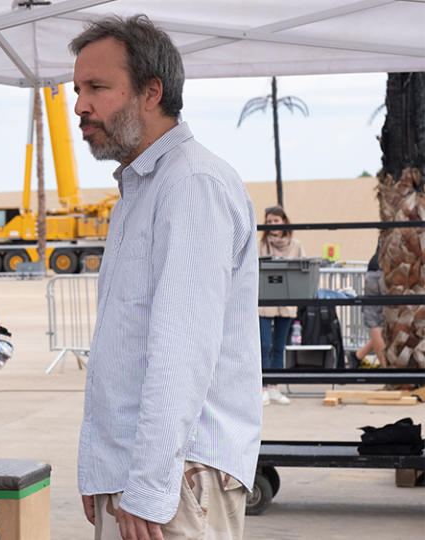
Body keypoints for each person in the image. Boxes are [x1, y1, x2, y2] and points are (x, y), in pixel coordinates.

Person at [71, 15, 261, 540]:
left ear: (152, 91)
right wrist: (103, 470)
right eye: (77, 89)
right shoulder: (142, 189)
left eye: (97, 88)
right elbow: (125, 346)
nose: (80, 105)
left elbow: (181, 351)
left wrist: (151, 486)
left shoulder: (191, 185)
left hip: (177, 478)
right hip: (145, 476)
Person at [258, 205, 305, 405]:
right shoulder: (260, 244)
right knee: (263, 344)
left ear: (284, 221)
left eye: (275, 221)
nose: (272, 225)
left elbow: (302, 268)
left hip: (285, 302)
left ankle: (274, 386)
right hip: (264, 302)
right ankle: (262, 386)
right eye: (268, 221)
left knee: (279, 345)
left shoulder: (295, 245)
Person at [351, 244, 387, 368]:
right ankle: (388, 371)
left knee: (378, 324)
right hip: (390, 271)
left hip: (374, 270)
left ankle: (358, 355)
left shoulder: (388, 228)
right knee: (379, 324)